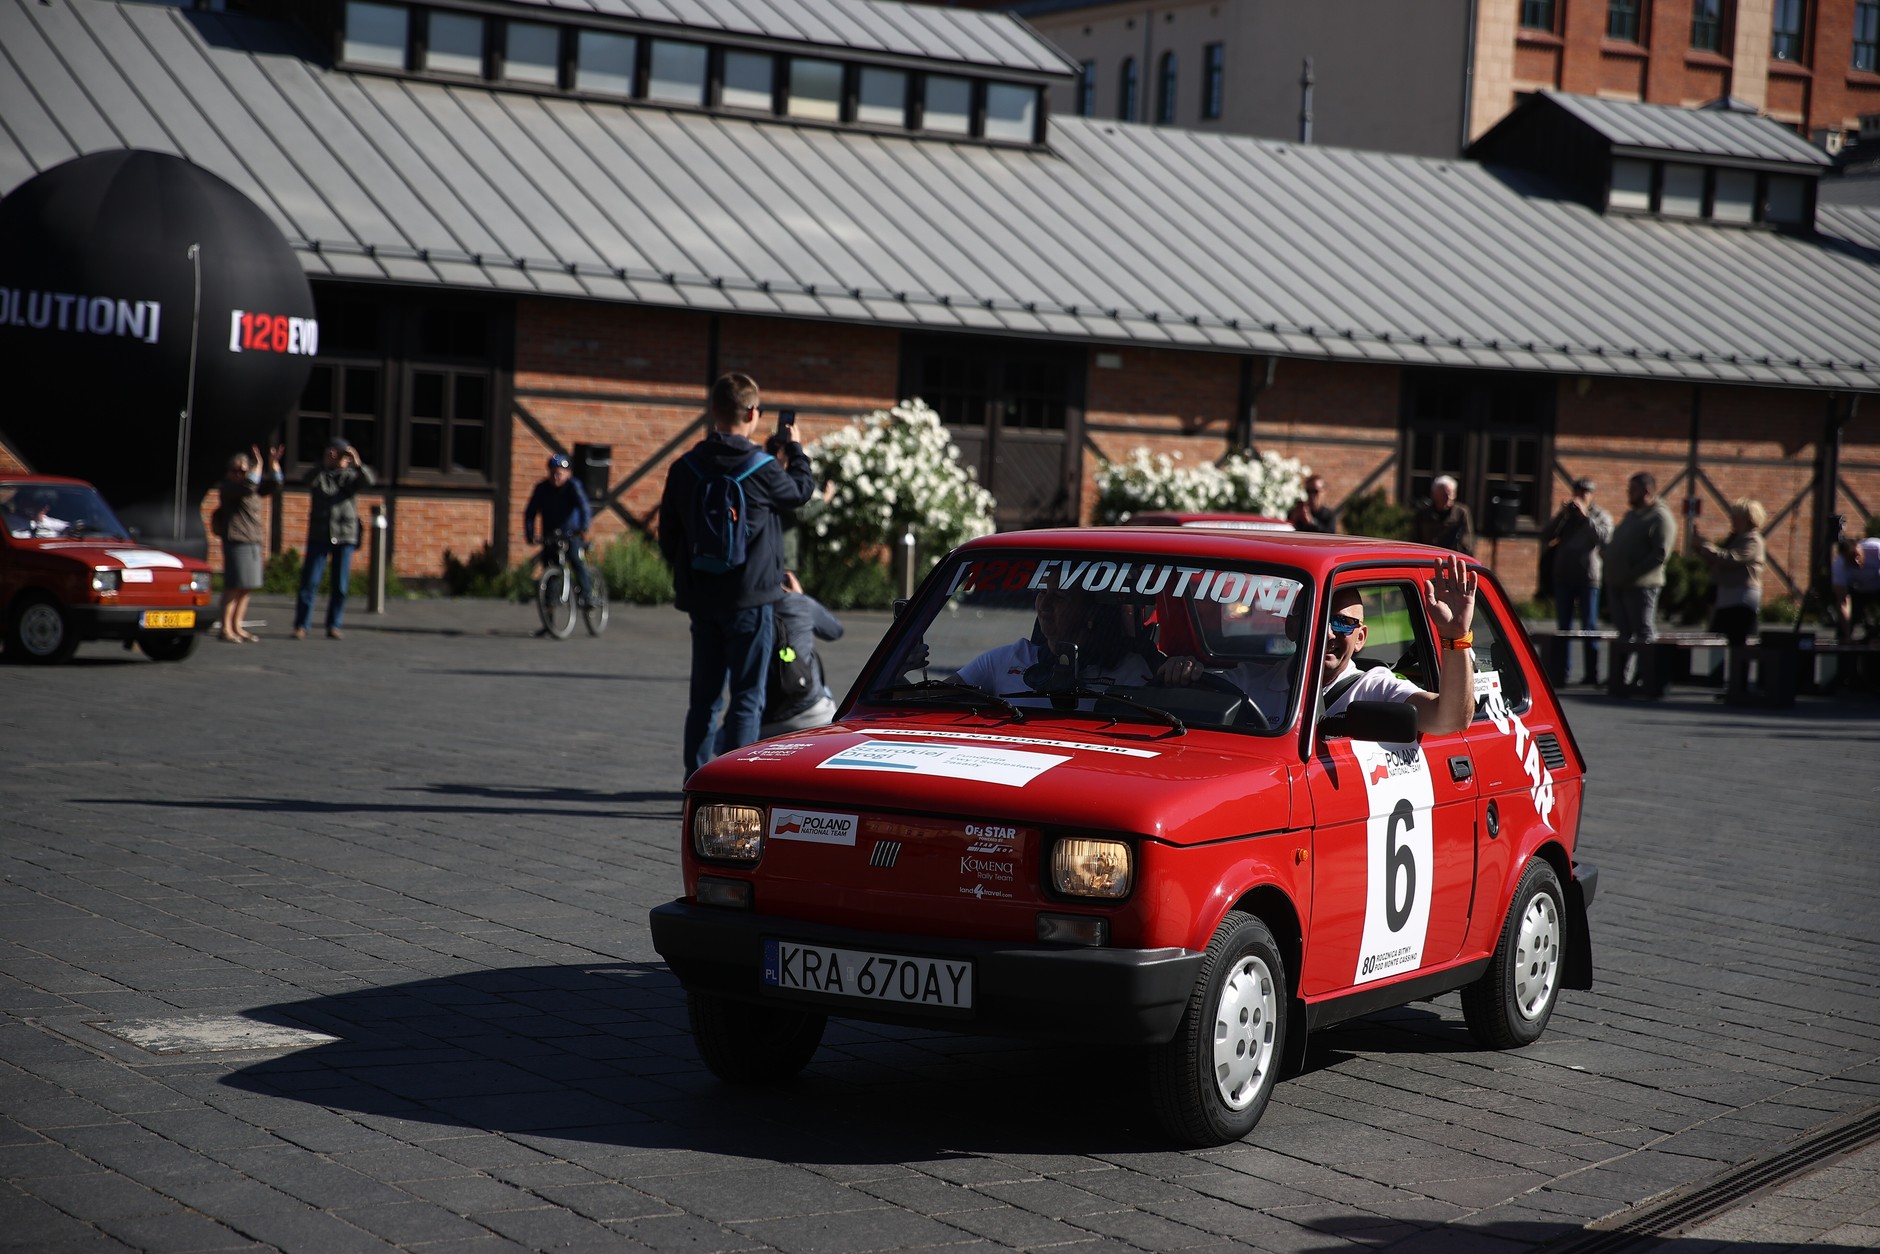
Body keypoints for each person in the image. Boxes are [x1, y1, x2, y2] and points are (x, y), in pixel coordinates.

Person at [659, 372, 815, 776]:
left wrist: (690, 577)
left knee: (704, 700)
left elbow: (668, 536)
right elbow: (799, 492)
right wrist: (796, 448)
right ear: (752, 413)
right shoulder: (760, 468)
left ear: (713, 411)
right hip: (752, 600)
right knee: (747, 696)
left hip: (703, 601)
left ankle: (694, 781)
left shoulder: (684, 467)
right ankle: (734, 787)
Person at [1160, 555, 1478, 735]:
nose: (1326, 633)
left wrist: (1456, 636)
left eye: (1342, 623)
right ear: (1291, 626)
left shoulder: (1377, 688)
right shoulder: (1249, 680)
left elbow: (1449, 719)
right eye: (1314, 619)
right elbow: (1185, 702)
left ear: (1361, 638)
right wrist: (1179, 674)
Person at [955, 582, 1153, 694]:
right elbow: (935, 696)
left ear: (1090, 612)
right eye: (1042, 592)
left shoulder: (1130, 671)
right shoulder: (1004, 661)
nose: (1044, 603)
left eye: (1059, 596)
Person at [292, 438, 376, 640]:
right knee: (310, 582)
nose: (340, 458)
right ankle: (302, 625)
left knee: (340, 585)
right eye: (337, 454)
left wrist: (357, 463)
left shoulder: (351, 477)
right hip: (320, 534)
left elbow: (369, 482)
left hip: (345, 535)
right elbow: (306, 479)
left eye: (343, 455)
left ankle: (334, 624)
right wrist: (324, 464)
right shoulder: (320, 475)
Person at [1602, 471, 1677, 689]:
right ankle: (1620, 678)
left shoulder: (1660, 517)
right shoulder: (1633, 515)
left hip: (1642, 585)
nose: (1628, 494)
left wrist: (1633, 572)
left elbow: (1660, 553)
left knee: (1643, 632)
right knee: (1624, 633)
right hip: (1618, 583)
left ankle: (1648, 676)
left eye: (1632, 490)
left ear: (1646, 491)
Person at [1539, 477, 1614, 685]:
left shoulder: (1600, 515)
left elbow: (1604, 538)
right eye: (1578, 492)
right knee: (1564, 627)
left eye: (1586, 492)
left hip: (1588, 578)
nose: (1581, 496)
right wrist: (1561, 515)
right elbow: (1546, 535)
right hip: (1563, 576)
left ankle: (1592, 674)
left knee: (1589, 625)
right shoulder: (1567, 516)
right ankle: (1561, 672)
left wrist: (1585, 516)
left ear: (1592, 494)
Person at [760, 571, 845, 738]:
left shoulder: (742, 609)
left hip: (761, 720)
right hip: (811, 711)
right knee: (819, 679)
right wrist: (801, 596)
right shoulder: (798, 603)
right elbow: (835, 631)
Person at [213, 444, 283, 643]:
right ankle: (225, 628)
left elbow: (275, 484)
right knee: (233, 586)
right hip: (237, 540)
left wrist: (273, 464)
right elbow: (250, 485)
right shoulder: (230, 489)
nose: (239, 474)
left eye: (242, 471)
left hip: (253, 540)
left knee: (246, 587)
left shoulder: (251, 488)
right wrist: (258, 464)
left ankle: (237, 625)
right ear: (228, 473)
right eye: (235, 471)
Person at [523, 453, 595, 634]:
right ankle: (549, 622)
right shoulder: (542, 489)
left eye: (560, 472)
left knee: (576, 561)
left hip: (572, 534)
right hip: (551, 536)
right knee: (550, 577)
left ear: (568, 473)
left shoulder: (574, 487)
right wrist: (530, 534)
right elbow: (530, 512)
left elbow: (584, 506)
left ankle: (587, 597)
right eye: (553, 472)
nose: (556, 476)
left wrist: (584, 527)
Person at [1831, 530, 1880, 643]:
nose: (1856, 562)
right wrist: (1847, 633)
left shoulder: (1876, 548)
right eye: (1851, 560)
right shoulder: (1839, 565)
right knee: (1843, 630)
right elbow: (1843, 600)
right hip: (1859, 591)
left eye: (1856, 556)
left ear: (1859, 547)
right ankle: (1844, 649)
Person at [1412, 475, 1474, 554]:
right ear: (1434, 494)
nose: (1448, 497)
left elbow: (1467, 540)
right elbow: (1414, 540)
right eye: (1444, 494)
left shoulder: (1461, 513)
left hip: (1452, 558)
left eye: (1451, 494)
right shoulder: (1423, 514)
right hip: (1428, 558)